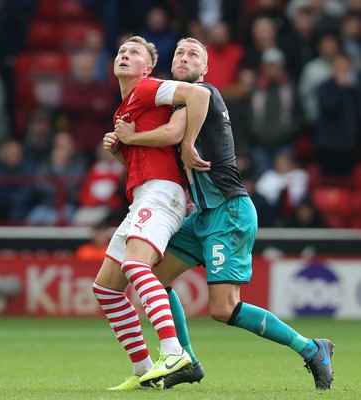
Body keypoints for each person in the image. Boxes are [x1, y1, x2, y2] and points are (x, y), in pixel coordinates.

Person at [112, 37, 335, 390]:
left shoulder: (203, 92)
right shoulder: (179, 101)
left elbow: (172, 134)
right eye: (180, 53)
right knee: (152, 276)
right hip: (201, 214)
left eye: (194, 54)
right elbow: (163, 143)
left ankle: (312, 349)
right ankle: (183, 360)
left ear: (205, 68)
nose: (184, 58)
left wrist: (135, 136)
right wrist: (124, 146)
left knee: (223, 308)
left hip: (229, 210)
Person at [93, 35, 211, 390]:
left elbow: (199, 94)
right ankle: (144, 369)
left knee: (135, 265)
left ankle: (175, 352)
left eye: (134, 53)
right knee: (107, 289)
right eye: (121, 51)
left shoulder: (147, 88)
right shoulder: (124, 109)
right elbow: (144, 153)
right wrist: (120, 149)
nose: (125, 55)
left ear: (147, 67)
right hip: (143, 195)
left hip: (163, 192)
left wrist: (187, 144)